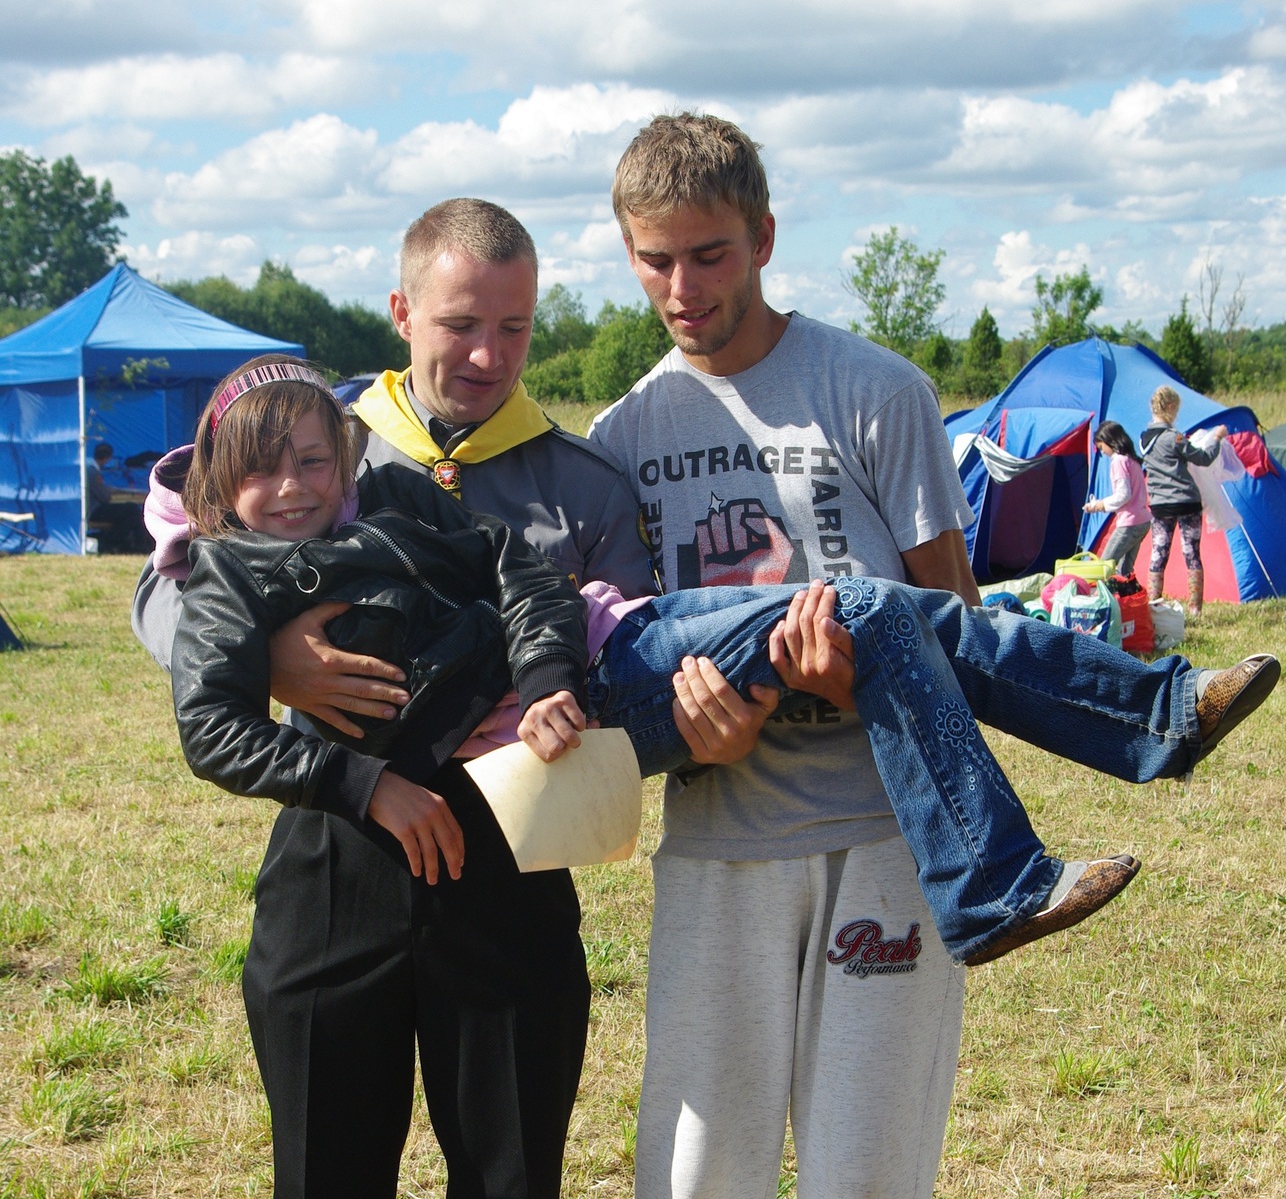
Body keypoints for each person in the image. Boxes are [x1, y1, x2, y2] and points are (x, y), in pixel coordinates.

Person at [574, 113, 1264, 1199]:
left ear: (763, 236)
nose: (683, 289)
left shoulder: (873, 391)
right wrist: (700, 721)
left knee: (864, 1178)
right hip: (721, 840)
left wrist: (838, 676)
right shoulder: (620, 438)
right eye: (653, 263)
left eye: (708, 255)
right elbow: (617, 659)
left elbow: (949, 625)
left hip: (886, 831)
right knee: (693, 1180)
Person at [131, 202, 663, 1199]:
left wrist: (552, 678)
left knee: (507, 1197)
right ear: (402, 314)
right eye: (457, 322)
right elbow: (177, 629)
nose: (483, 350)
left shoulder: (518, 482)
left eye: (511, 326)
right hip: (333, 886)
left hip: (505, 872)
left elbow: (552, 590)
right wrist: (284, 664)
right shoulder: (303, 453)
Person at [159, 371, 1276, 971]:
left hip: (599, 647)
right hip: (583, 719)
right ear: (217, 480)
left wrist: (543, 667)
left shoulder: (386, 499)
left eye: (315, 459)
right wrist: (362, 778)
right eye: (264, 471)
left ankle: (1155, 718)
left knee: (888, 614)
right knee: (864, 611)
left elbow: (518, 567)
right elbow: (211, 727)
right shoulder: (224, 578)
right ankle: (1009, 868)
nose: (295, 487)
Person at [1140, 385, 1226, 618]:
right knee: (1191, 554)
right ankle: (1195, 608)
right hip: (1187, 502)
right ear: (1170, 407)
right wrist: (1217, 438)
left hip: (1160, 505)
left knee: (1158, 553)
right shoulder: (1175, 438)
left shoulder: (1143, 439)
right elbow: (1204, 458)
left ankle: (1153, 605)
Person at [1084, 421, 1150, 575]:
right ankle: (1127, 590)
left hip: (1129, 522)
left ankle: (1104, 591)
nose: (1103, 453)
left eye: (1102, 448)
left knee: (1104, 566)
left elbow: (1123, 494)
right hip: (1143, 520)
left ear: (1109, 441)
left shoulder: (1118, 461)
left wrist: (1100, 505)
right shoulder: (1132, 460)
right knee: (1125, 570)